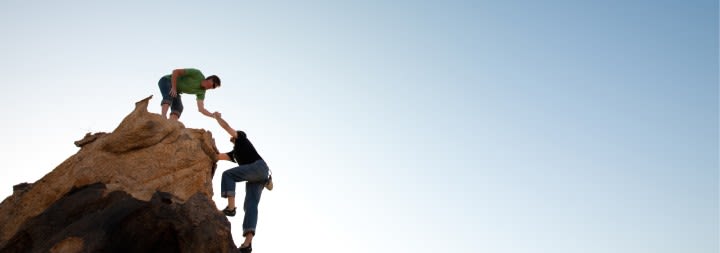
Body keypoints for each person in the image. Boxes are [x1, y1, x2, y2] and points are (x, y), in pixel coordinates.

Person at [213, 112, 272, 253]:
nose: (231, 137)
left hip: (259, 167)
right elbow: (217, 156)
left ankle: (231, 208)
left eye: (232, 136)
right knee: (250, 206)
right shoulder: (234, 155)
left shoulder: (241, 139)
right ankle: (247, 244)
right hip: (259, 177)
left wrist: (216, 117)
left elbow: (226, 127)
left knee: (228, 175)